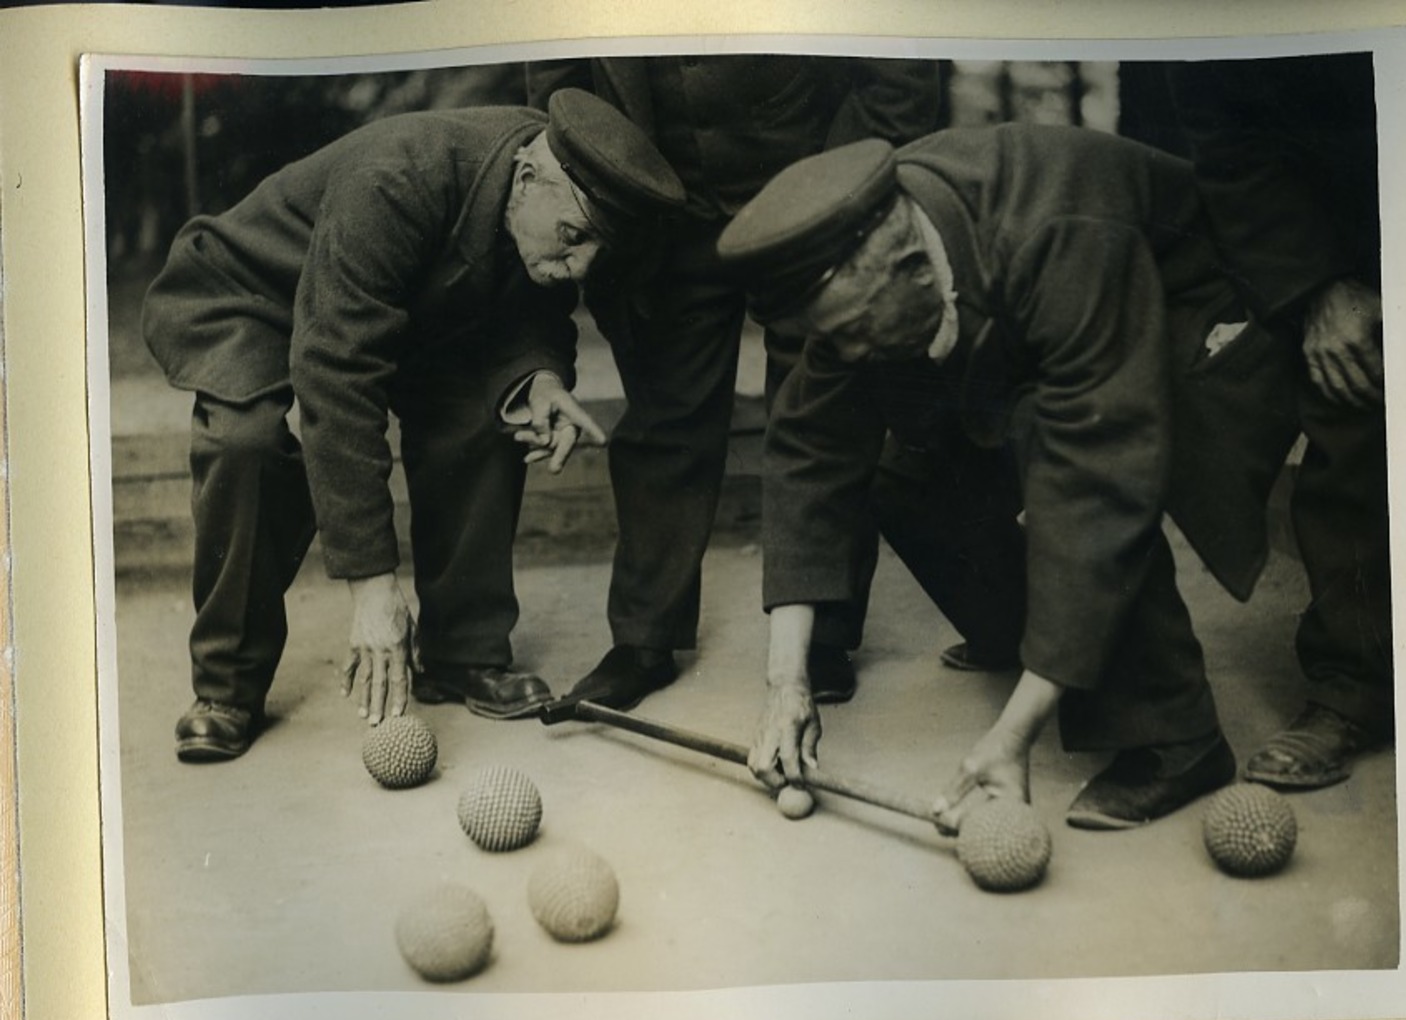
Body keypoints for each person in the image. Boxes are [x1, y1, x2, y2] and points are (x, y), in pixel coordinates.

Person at [719, 128, 1303, 829]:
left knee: (1056, 467)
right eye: (835, 338)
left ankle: (1178, 738)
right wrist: (787, 683)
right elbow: (807, 449)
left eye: (855, 333)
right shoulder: (861, 260)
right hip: (1027, 315)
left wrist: (1011, 736)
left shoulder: (1063, 231)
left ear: (911, 265)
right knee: (900, 460)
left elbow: (1097, 486)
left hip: (1198, 312)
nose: (848, 353)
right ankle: (1025, 636)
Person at [142, 90, 685, 763]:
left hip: (399, 305)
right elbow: (336, 376)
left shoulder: (550, 173)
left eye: (597, 250)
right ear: (524, 178)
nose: (580, 264)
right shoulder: (397, 178)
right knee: (243, 443)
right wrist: (373, 590)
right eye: (574, 238)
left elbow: (533, 300)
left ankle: (461, 654)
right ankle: (226, 686)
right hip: (257, 295)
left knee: (489, 414)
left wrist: (538, 378)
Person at [526, 55, 945, 710]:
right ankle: (643, 637)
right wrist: (613, 180)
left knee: (825, 414)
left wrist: (834, 183)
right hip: (663, 213)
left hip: (806, 190)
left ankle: (823, 634)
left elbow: (900, 74)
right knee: (664, 417)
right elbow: (558, 70)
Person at [1167, 55, 1394, 790]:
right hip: (1340, 229)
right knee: (1352, 395)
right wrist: (1319, 286)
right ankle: (1352, 686)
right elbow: (1232, 142)